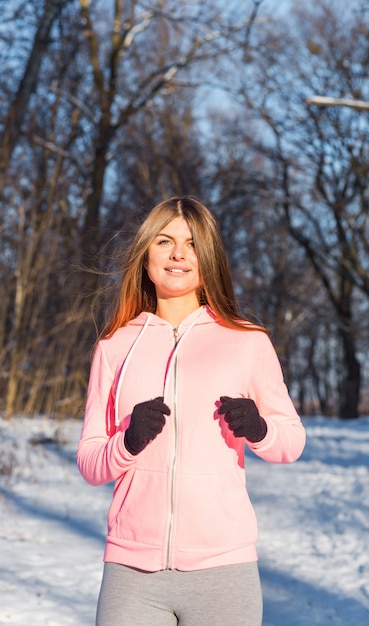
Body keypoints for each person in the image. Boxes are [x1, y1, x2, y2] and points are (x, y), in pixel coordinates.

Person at [77, 196, 306, 626]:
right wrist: (126, 441)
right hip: (132, 573)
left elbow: (291, 442)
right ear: (146, 255)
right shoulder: (114, 347)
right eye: (164, 241)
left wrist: (259, 429)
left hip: (223, 571)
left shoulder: (247, 341)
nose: (179, 253)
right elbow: (90, 462)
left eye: (192, 243)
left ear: (209, 258)